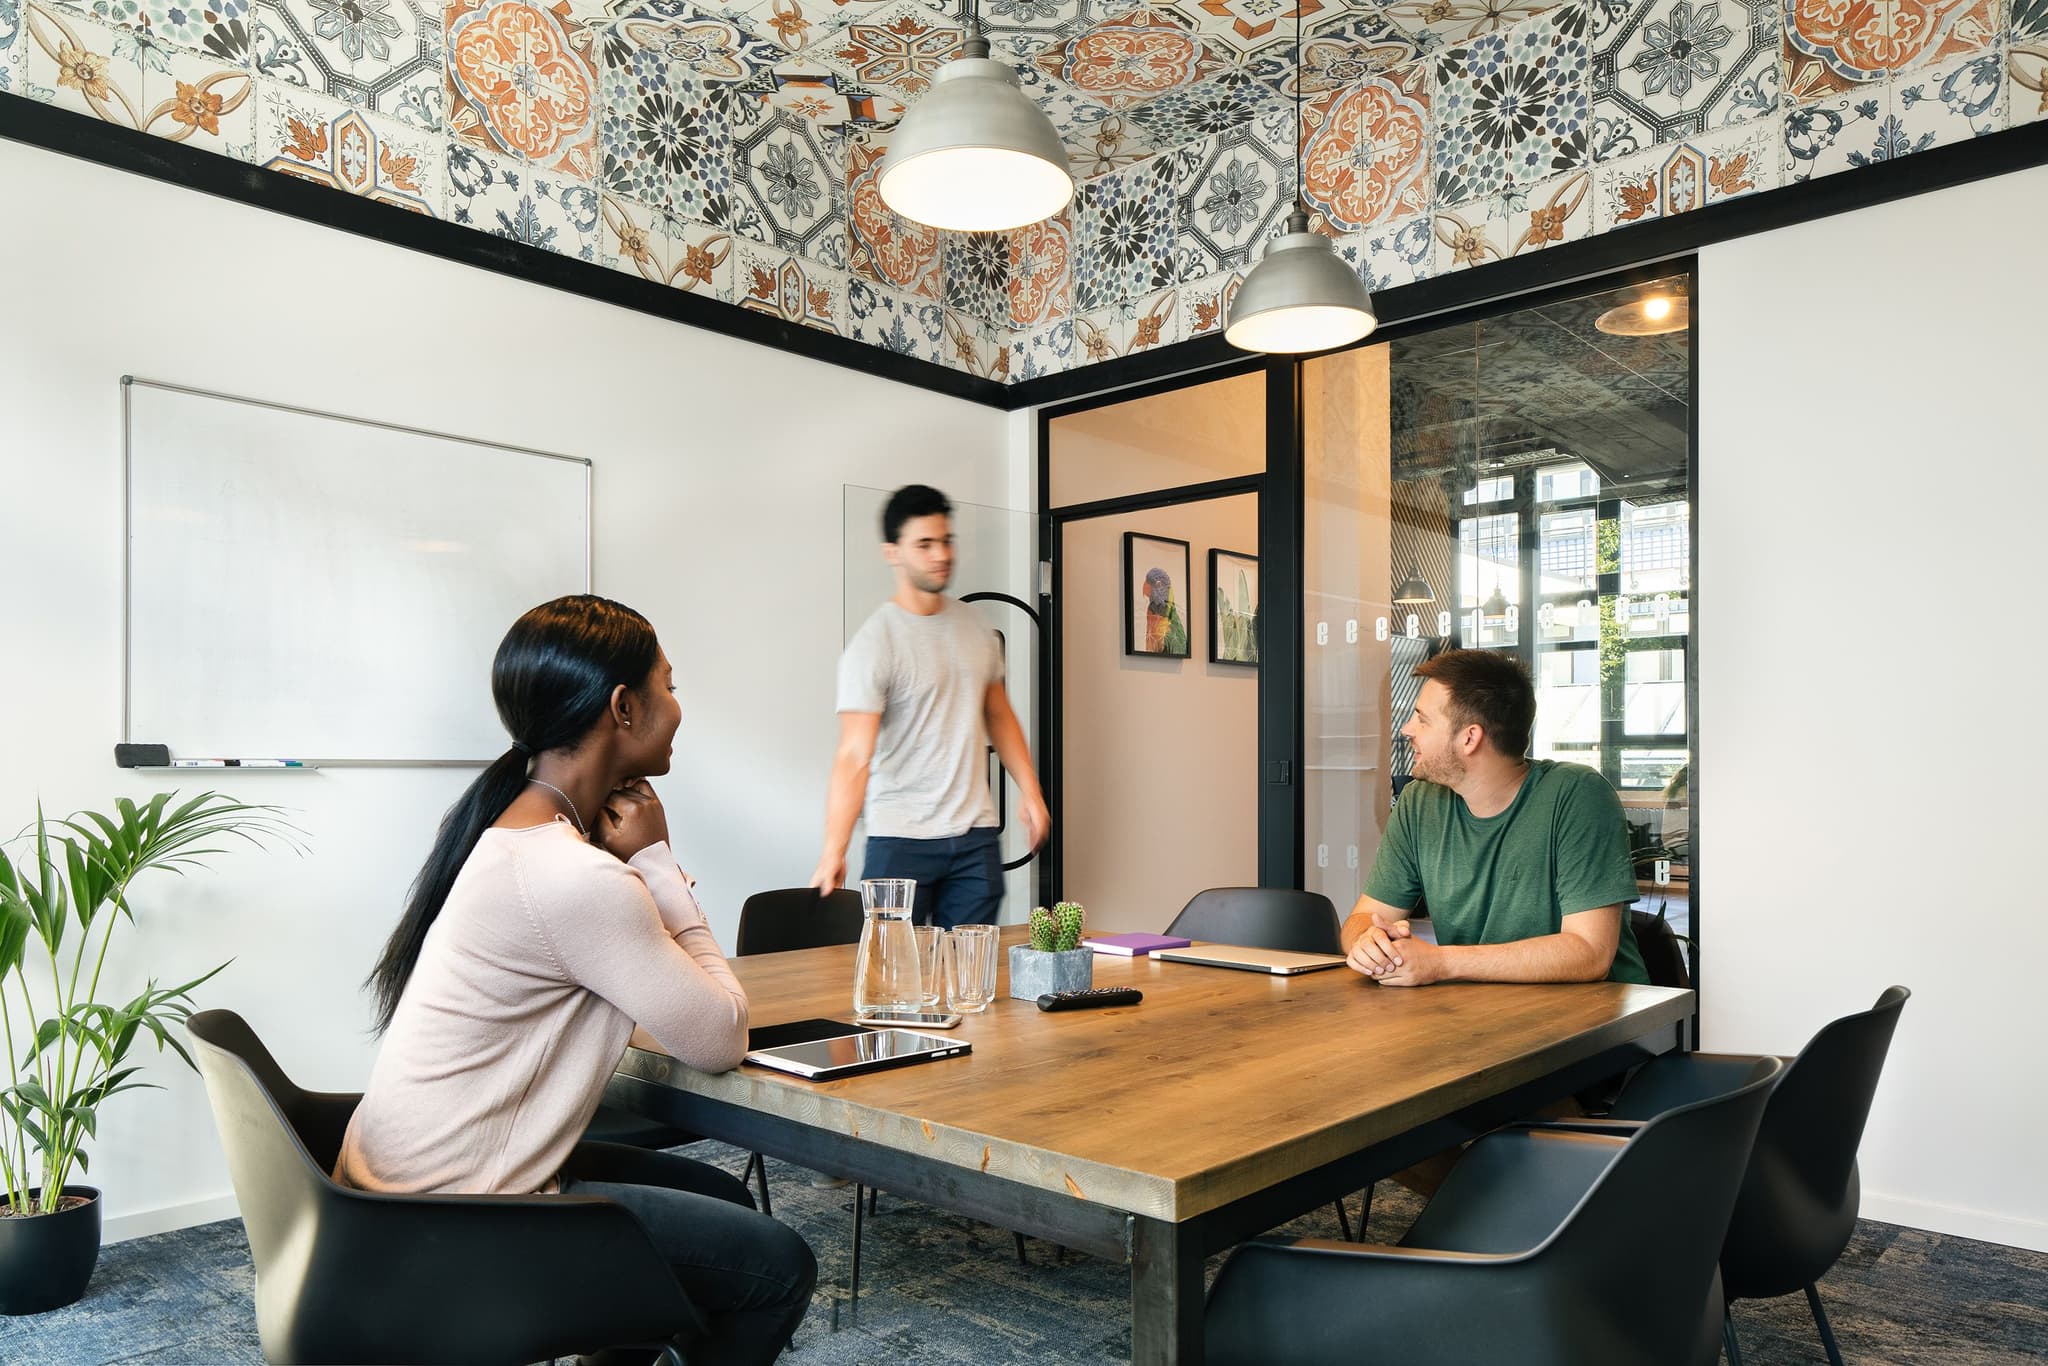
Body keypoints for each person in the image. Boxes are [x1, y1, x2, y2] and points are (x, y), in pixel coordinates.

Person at [338, 595, 815, 1366]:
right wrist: (657, 863)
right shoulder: (575, 876)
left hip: (402, 1191)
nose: (679, 705)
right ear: (624, 708)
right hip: (467, 1214)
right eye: (671, 683)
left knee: (723, 1204)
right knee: (777, 1269)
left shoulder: (516, 834)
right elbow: (721, 1036)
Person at [810, 484, 1048, 927]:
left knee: (971, 983)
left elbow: (998, 714)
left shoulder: (975, 628)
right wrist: (834, 849)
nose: (941, 554)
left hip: (975, 837)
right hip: (900, 839)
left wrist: (1030, 792)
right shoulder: (874, 643)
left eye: (946, 540)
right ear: (892, 552)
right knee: (895, 986)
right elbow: (853, 755)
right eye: (925, 544)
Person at [1345, 648, 1649, 988]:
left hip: (1599, 1026)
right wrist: (1369, 942)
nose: (1406, 729)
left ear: (1470, 738)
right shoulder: (1419, 802)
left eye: (1422, 719)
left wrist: (1440, 962)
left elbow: (1589, 953)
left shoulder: (1577, 795)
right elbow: (1362, 919)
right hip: (1478, 1017)